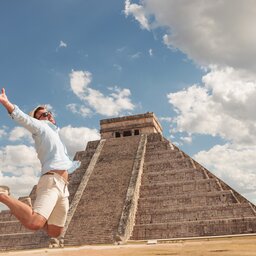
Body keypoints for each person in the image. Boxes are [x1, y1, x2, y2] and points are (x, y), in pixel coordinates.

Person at [0, 88, 80, 238]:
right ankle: (3, 195)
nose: (48, 115)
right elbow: (23, 118)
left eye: (49, 112)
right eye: (43, 114)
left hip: (63, 188)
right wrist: (6, 103)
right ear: (38, 120)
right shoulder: (40, 127)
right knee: (34, 223)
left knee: (55, 232)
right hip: (51, 182)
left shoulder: (54, 133)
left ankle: (26, 206)